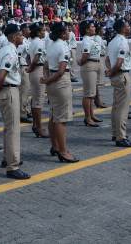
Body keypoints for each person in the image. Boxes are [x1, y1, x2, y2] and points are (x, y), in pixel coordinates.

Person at [0, 23, 31, 179]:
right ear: (14, 37)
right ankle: (12, 166)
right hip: (9, 90)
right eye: (20, 34)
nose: (22, 37)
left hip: (7, 89)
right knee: (13, 129)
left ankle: (7, 158)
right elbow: (1, 75)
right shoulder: (10, 52)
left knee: (9, 127)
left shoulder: (5, 49)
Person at [42, 22, 79, 162]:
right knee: (61, 119)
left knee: (54, 115)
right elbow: (62, 70)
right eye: (67, 30)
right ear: (63, 33)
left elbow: (45, 64)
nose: (69, 32)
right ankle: (63, 151)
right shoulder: (63, 46)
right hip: (60, 81)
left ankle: (55, 146)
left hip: (52, 79)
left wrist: (47, 79)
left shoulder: (51, 44)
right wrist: (48, 80)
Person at [106, 18, 131, 146]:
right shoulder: (123, 42)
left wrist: (109, 71)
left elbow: (107, 60)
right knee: (123, 108)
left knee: (116, 106)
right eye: (128, 25)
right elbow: (119, 63)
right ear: (123, 28)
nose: (130, 28)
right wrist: (112, 71)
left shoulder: (112, 41)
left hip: (115, 76)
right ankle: (121, 137)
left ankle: (115, 133)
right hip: (121, 75)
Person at [78, 20, 102, 127]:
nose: (94, 28)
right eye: (92, 27)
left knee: (92, 94)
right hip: (89, 65)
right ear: (87, 29)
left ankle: (91, 115)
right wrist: (80, 62)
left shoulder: (92, 39)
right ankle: (87, 117)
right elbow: (85, 56)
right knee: (88, 94)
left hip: (94, 63)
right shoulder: (87, 40)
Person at [27, 22, 49, 137]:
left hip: (35, 70)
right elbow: (36, 58)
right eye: (42, 30)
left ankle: (36, 125)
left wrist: (29, 67)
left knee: (36, 99)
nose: (44, 32)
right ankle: (39, 127)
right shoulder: (39, 42)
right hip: (38, 69)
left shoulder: (32, 42)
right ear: (37, 32)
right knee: (38, 100)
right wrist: (31, 67)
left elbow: (27, 57)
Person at [17, 23, 33, 123]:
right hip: (22, 68)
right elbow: (18, 57)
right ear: (23, 31)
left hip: (26, 67)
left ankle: (26, 110)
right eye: (28, 29)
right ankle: (22, 114)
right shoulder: (21, 42)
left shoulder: (26, 41)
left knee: (26, 92)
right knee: (23, 92)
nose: (30, 31)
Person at [94, 22, 108, 108]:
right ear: (99, 31)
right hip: (99, 58)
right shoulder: (98, 38)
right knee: (97, 83)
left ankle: (97, 100)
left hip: (101, 58)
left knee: (97, 82)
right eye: (103, 29)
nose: (104, 30)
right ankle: (98, 100)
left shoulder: (99, 38)